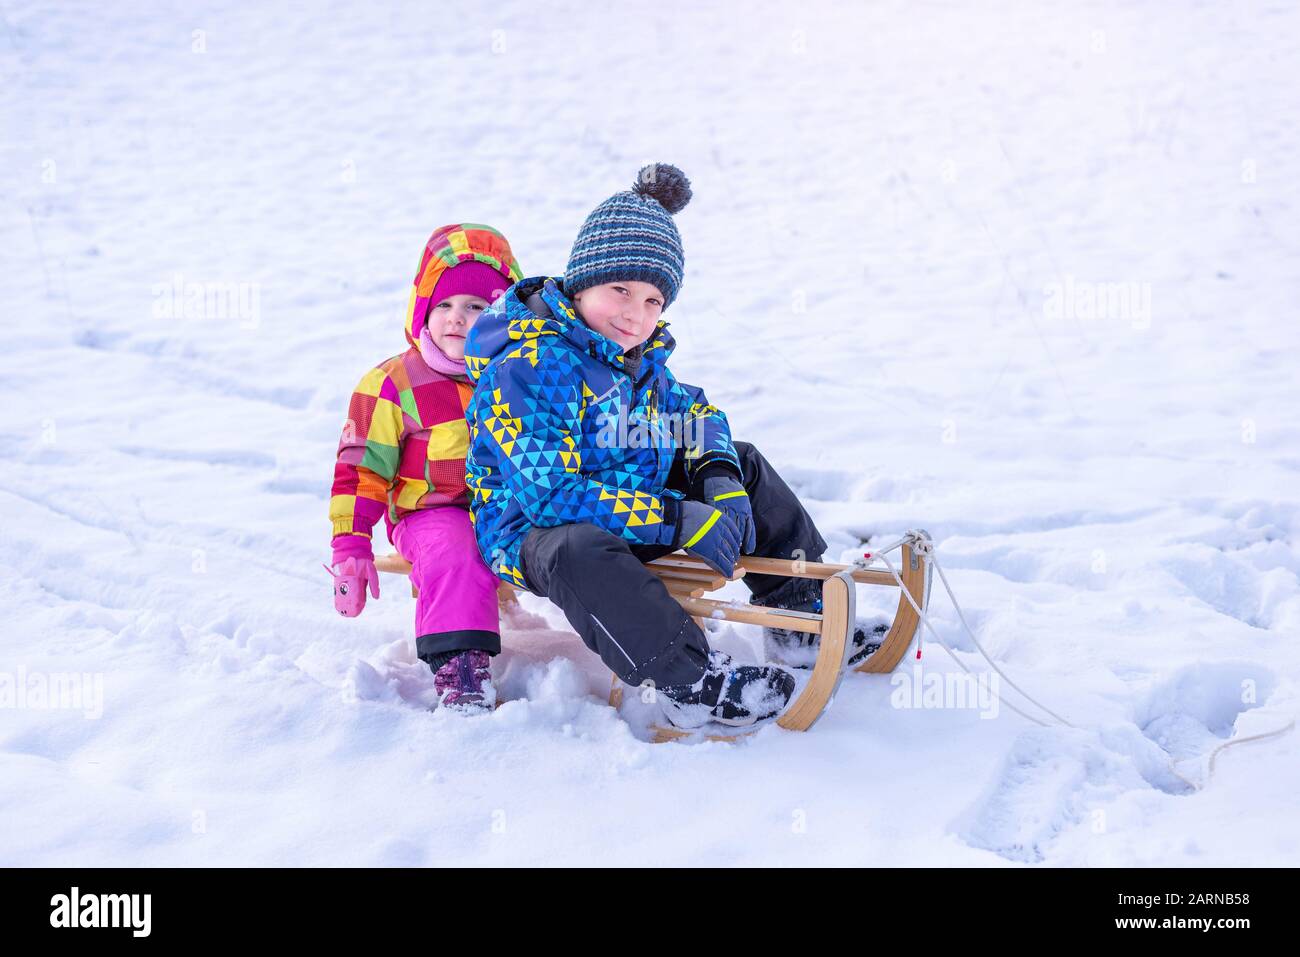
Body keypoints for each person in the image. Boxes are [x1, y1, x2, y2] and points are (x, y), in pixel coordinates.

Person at [463, 165, 884, 730]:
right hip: (535, 535)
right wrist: (678, 518)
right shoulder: (528, 367)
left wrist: (718, 479)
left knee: (745, 459)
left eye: (654, 300)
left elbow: (697, 413)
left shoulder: (640, 362)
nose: (635, 314)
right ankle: (687, 680)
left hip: (634, 514)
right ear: (582, 281)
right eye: (620, 290)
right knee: (576, 546)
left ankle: (795, 614)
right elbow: (551, 496)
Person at [327, 223, 522, 712]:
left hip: (514, 508)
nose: (458, 319)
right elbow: (360, 469)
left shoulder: (520, 375)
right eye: (444, 306)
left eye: (476, 307)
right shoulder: (392, 383)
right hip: (430, 512)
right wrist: (352, 544)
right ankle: (460, 671)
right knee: (457, 550)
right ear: (422, 311)